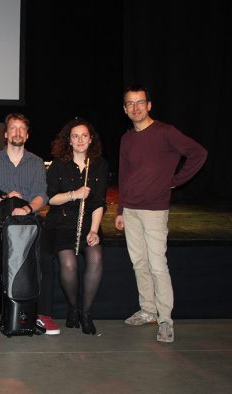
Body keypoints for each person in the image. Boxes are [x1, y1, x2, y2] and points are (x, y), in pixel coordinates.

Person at [115, 86, 207, 343]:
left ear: (149, 105)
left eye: (140, 102)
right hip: (131, 210)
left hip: (155, 210)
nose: (136, 107)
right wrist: (121, 209)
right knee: (139, 264)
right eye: (130, 104)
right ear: (125, 109)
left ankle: (165, 320)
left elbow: (199, 154)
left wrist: (176, 180)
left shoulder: (166, 132)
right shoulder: (127, 139)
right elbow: (124, 175)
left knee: (157, 266)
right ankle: (148, 310)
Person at [0, 113, 53, 334]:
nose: (17, 132)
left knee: (45, 258)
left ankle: (43, 314)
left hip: (29, 220)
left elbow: (42, 196)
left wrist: (28, 208)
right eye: (13, 128)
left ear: (27, 134)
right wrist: (2, 199)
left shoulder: (37, 162)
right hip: (0, 218)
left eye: (22, 129)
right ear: (5, 134)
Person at [46, 117, 108, 335]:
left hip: (89, 223)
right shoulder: (58, 165)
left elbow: (99, 202)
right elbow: (50, 199)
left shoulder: (99, 165)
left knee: (96, 257)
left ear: (90, 139)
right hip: (62, 223)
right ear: (69, 141)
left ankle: (86, 312)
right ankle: (72, 308)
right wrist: (74, 194)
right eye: (75, 136)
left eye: (84, 135)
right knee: (69, 265)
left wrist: (94, 230)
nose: (80, 139)